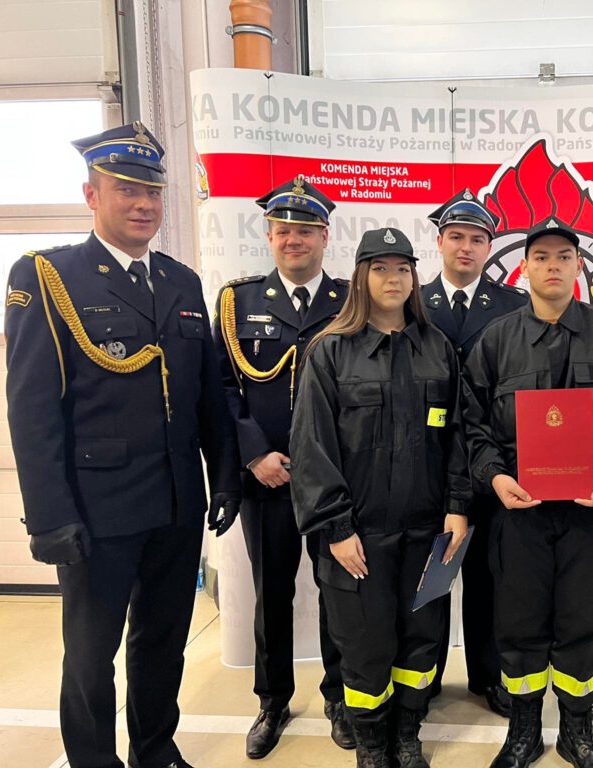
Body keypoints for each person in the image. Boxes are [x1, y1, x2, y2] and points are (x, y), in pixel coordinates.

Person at [4, 122, 241, 768]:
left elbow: (207, 397)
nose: (142, 204)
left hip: (176, 502)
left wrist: (224, 475)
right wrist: (48, 517)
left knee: (162, 641)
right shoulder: (50, 277)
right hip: (96, 510)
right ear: (91, 194)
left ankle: (154, 750)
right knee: (90, 655)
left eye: (152, 193)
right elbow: (31, 410)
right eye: (126, 190)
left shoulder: (181, 282)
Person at [461, 220, 593, 768]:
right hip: (517, 514)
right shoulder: (496, 340)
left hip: (586, 512)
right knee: (519, 622)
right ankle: (523, 730)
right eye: (542, 257)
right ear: (523, 267)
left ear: (579, 266)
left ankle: (578, 728)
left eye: (564, 257)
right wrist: (495, 476)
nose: (553, 265)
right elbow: (472, 425)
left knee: (580, 620)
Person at [290, 228, 471, 768]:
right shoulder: (330, 351)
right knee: (365, 647)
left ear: (414, 278)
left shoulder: (437, 348)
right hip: (360, 535)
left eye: (402, 268)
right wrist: (336, 528)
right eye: (380, 268)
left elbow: (459, 436)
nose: (393, 279)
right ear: (360, 278)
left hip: (428, 532)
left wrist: (458, 507)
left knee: (421, 640)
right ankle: (371, 746)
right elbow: (311, 446)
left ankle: (407, 735)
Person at [213, 177, 353, 758]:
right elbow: (224, 387)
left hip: (334, 480)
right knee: (271, 594)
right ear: (269, 236)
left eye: (305, 230)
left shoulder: (351, 300)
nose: (293, 240)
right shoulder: (238, 302)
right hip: (266, 479)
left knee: (339, 590)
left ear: (325, 236)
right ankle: (272, 701)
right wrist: (253, 454)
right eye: (283, 231)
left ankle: (340, 696)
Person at [421, 189, 528, 716]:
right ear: (440, 242)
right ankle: (423, 676)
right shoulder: (412, 301)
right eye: (456, 237)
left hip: (490, 459)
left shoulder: (514, 306)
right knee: (429, 576)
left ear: (490, 247)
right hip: (425, 460)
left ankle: (489, 676)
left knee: (490, 577)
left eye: (477, 239)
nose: (466, 247)